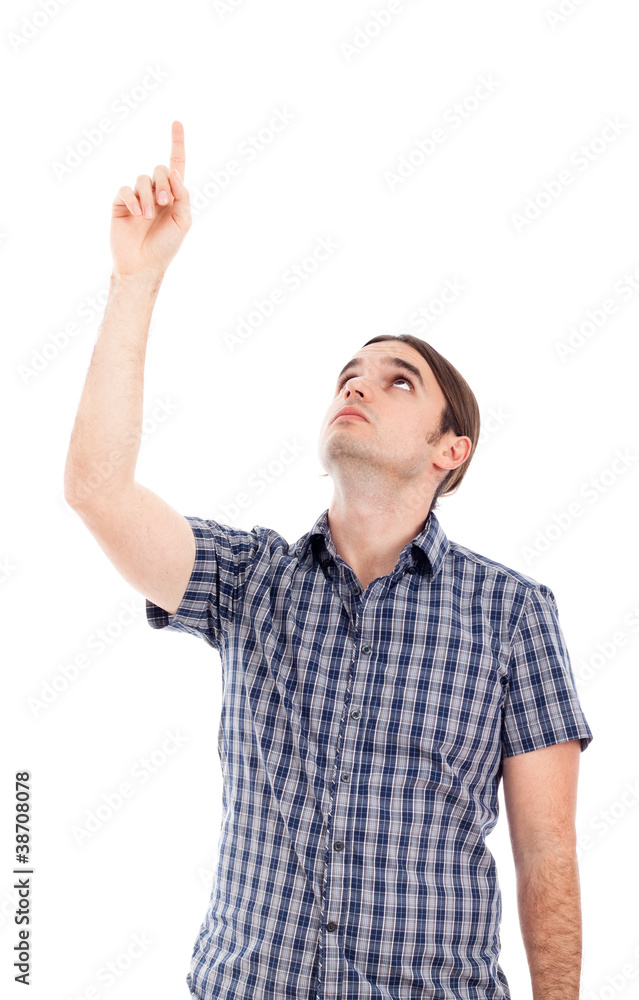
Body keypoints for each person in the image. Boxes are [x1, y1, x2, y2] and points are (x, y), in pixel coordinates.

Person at [64, 121, 594, 1000]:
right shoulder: (248, 581)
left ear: (449, 451)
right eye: (349, 373)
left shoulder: (513, 614)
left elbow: (546, 854)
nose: (356, 383)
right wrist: (136, 280)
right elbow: (97, 491)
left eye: (397, 380)